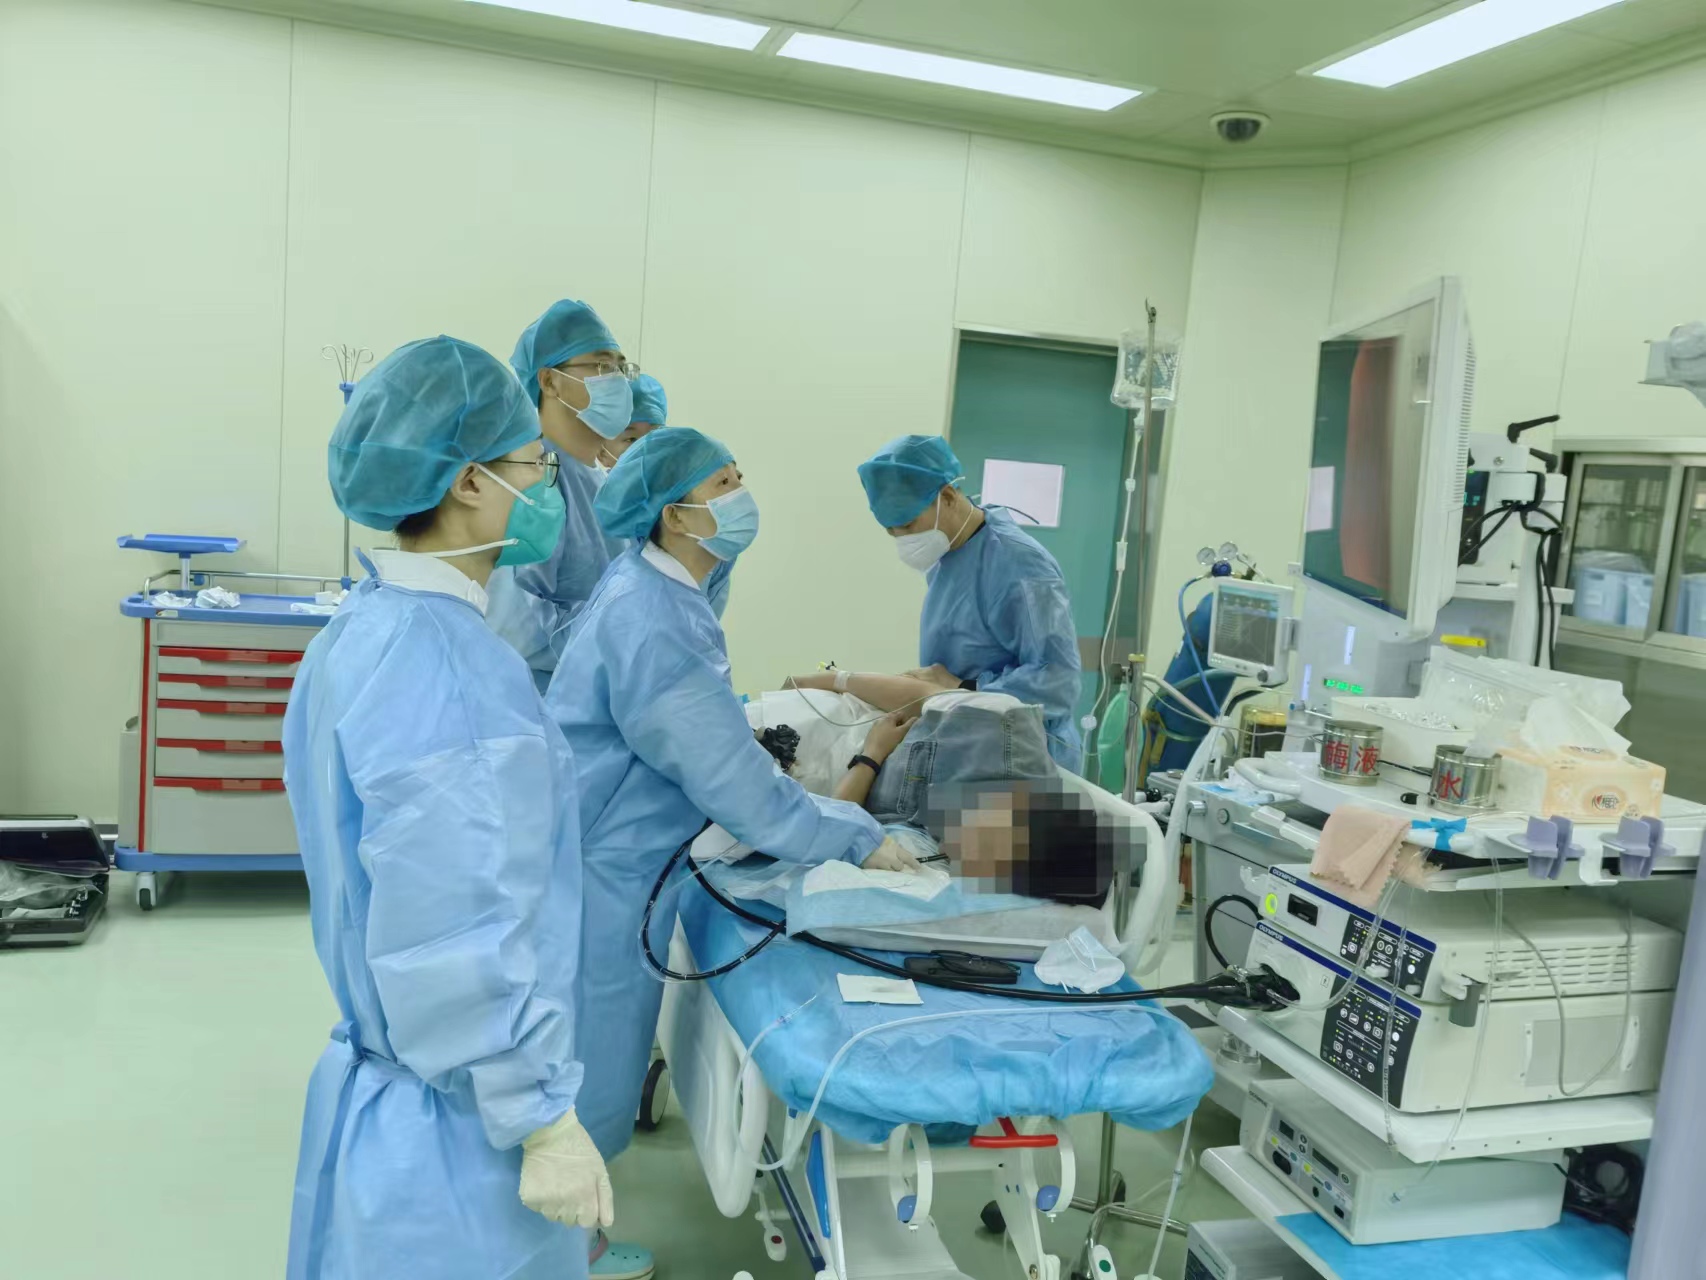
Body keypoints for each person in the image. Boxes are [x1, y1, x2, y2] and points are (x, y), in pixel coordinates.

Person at [284, 336, 609, 1280]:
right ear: (470, 482)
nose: (547, 487)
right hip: (465, 1133)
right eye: (534, 464)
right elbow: (453, 922)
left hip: (399, 1100)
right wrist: (540, 1116)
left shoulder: (361, 631)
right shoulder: (452, 673)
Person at [544, 427, 919, 1183]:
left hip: (610, 852)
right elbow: (737, 787)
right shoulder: (652, 617)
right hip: (605, 871)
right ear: (676, 515)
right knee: (590, 1052)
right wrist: (853, 833)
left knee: (591, 1045)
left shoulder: (656, 590)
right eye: (723, 485)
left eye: (738, 477)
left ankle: (575, 1223)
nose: (742, 495)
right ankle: (568, 1236)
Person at [488, 302, 728, 688]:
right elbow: (516, 626)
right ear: (549, 381)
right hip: (543, 703)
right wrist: (627, 637)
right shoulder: (533, 478)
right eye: (601, 365)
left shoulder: (602, 485)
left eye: (620, 366)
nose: (616, 379)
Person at [857, 434, 1084, 772]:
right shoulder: (949, 556)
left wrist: (963, 687)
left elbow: (1058, 681)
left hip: (1026, 760)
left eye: (907, 525)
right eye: (892, 532)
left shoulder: (1021, 564)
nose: (904, 539)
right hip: (974, 745)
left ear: (948, 496)